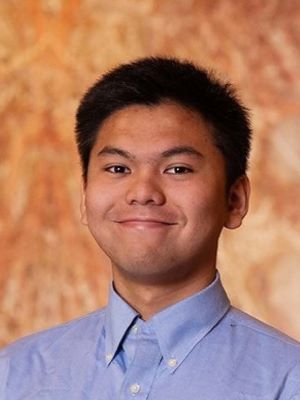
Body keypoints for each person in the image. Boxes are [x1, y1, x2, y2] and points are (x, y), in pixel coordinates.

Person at [1, 57, 300, 400]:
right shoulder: (15, 376)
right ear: (85, 197)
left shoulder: (287, 382)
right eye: (117, 168)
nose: (143, 193)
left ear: (234, 200)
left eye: (177, 169)